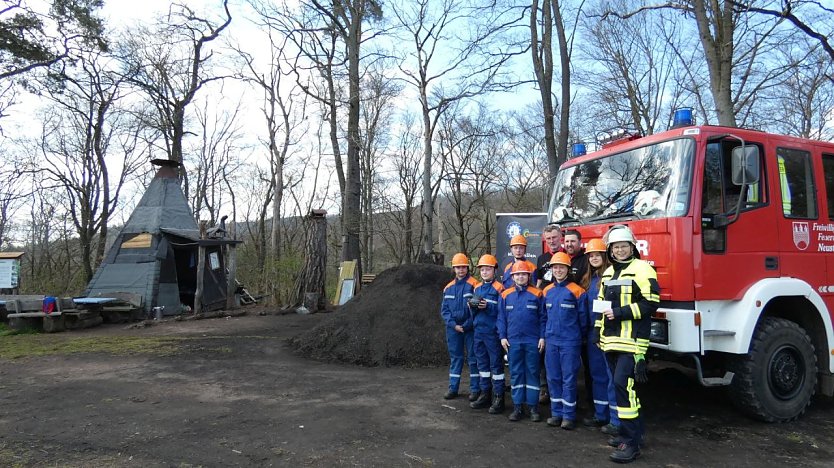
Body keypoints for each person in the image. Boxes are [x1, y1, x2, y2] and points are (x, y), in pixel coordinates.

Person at [593, 225, 659, 464]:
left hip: (632, 343)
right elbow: (601, 305)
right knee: (624, 390)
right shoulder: (609, 273)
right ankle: (631, 434)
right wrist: (598, 331)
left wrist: (619, 312)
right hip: (610, 342)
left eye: (623, 246)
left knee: (623, 387)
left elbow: (651, 303)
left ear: (632, 247)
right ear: (610, 250)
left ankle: (630, 443)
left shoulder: (643, 269)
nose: (620, 250)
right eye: (615, 247)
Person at [542, 252, 588, 430]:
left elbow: (583, 320)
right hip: (551, 341)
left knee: (569, 378)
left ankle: (568, 416)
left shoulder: (577, 291)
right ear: (552, 270)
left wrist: (578, 337)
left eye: (562, 267)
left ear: (568, 269)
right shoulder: (546, 291)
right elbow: (543, 317)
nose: (558, 270)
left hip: (570, 341)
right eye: (555, 267)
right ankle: (556, 413)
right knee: (553, 377)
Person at [497, 261, 545, 422]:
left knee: (532, 373)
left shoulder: (537, 294)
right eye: (517, 274)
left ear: (529, 276)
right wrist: (502, 336)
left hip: (532, 341)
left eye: (523, 274)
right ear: (512, 277)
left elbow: (543, 318)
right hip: (513, 341)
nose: (521, 276)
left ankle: (533, 407)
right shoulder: (505, 295)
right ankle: (517, 407)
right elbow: (501, 318)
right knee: (516, 373)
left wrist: (542, 337)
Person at [578, 239, 618, 432]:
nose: (594, 258)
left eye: (597, 255)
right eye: (591, 256)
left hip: (608, 334)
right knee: (597, 375)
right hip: (592, 334)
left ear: (605, 256)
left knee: (612, 376)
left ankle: (615, 418)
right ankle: (601, 415)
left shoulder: (611, 278)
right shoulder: (588, 280)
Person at [440, 253, 480, 401]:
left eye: (463, 267)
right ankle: (453, 388)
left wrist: (467, 324)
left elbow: (477, 309)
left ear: (467, 267)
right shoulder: (448, 288)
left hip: (470, 328)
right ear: (454, 269)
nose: (461, 270)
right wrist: (453, 325)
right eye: (458, 267)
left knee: (473, 359)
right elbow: (444, 310)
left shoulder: (475, 285)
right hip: (453, 329)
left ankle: (475, 390)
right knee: (456, 358)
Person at [469, 254, 507, 414]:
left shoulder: (500, 288)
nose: (485, 272)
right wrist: (472, 306)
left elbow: (502, 312)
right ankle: (486, 393)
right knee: (482, 365)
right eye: (482, 269)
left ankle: (499, 397)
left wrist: (488, 307)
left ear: (494, 270)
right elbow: (473, 312)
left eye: (488, 269)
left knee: (496, 365)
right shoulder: (477, 287)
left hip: (492, 333)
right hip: (479, 331)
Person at [536, 224, 564, 289]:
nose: (551, 241)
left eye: (554, 237)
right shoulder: (541, 258)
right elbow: (539, 280)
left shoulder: (567, 255)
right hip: (546, 295)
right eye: (548, 238)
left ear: (560, 237)